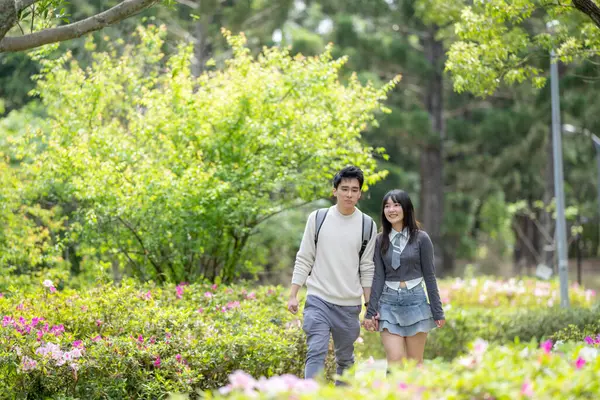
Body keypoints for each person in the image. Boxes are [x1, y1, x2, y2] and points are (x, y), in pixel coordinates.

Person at [287, 166, 377, 381]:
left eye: (354, 190)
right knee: (315, 351)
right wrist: (293, 294)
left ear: (360, 194)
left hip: (348, 305)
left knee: (345, 360)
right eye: (344, 189)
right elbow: (304, 257)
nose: (349, 194)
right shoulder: (318, 218)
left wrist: (369, 306)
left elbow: (367, 267)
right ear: (334, 190)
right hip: (319, 299)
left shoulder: (367, 225)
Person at [363, 189, 445, 367]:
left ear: (406, 208)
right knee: (395, 360)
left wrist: (437, 311)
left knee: (415, 363)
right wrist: (370, 312)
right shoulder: (379, 240)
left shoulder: (421, 239)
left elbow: (430, 277)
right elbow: (378, 277)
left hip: (416, 302)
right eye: (387, 206)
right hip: (388, 303)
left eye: (396, 205)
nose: (391, 209)